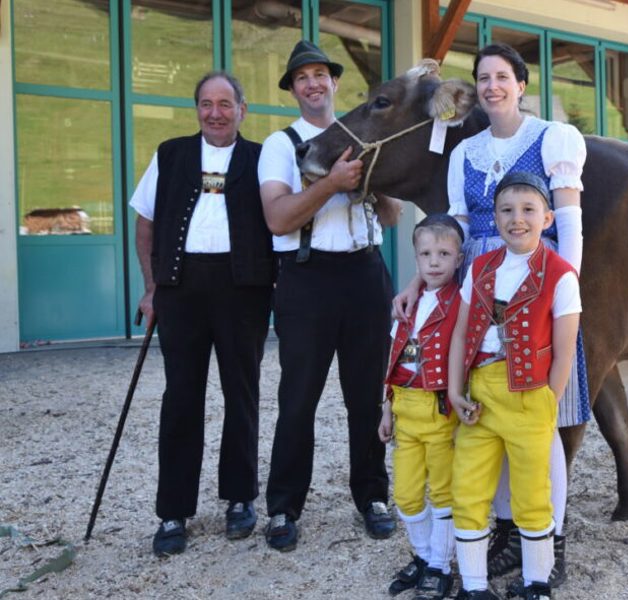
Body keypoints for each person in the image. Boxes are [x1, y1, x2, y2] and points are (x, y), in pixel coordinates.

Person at [393, 43, 586, 588]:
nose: (492, 86)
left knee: (539, 421)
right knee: (484, 417)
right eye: (483, 78)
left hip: (536, 284)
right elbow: (450, 232)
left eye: (503, 76)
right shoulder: (464, 151)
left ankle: (551, 539)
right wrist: (418, 283)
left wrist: (560, 287)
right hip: (476, 287)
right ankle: (504, 534)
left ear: (522, 85)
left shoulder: (553, 138)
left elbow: (568, 223)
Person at [258, 40, 401, 551]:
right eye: (303, 78)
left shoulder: (361, 133)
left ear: (334, 83)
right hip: (306, 276)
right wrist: (333, 183)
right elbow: (278, 217)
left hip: (366, 273)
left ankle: (372, 497)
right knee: (298, 398)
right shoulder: (282, 143)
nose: (314, 84)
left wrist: (372, 185)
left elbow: (391, 217)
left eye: (321, 74)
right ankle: (282, 507)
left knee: (367, 396)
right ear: (294, 90)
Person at [130, 71, 274, 557]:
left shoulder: (260, 158)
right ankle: (173, 510)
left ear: (242, 109)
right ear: (197, 109)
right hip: (181, 289)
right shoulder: (170, 154)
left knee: (242, 393)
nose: (215, 112)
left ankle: (240, 498)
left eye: (225, 104)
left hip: (242, 290)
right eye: (206, 104)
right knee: (182, 398)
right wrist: (152, 289)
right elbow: (145, 223)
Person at [447, 172, 581, 600]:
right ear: (495, 217)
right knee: (468, 486)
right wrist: (455, 390)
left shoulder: (560, 274)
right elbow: (460, 331)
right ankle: (473, 585)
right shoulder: (481, 267)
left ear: (547, 218)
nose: (516, 219)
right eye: (506, 210)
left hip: (529, 397)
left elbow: (564, 351)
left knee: (531, 490)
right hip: (480, 395)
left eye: (528, 210)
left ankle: (537, 584)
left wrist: (548, 402)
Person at [379, 214, 466, 600]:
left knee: (444, 492)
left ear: (459, 259)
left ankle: (440, 566)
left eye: (444, 253)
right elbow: (393, 357)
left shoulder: (460, 303)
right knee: (407, 493)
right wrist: (386, 407)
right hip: (406, 410)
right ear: (415, 257)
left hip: (439, 411)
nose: (434, 262)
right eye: (426, 254)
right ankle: (424, 553)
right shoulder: (405, 305)